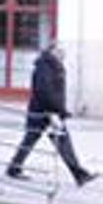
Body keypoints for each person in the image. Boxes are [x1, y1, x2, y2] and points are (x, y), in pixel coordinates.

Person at [6, 42, 97, 187]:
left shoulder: (51, 65)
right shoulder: (46, 66)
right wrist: (59, 111)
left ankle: (13, 167)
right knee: (61, 142)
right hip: (46, 113)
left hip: (44, 112)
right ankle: (79, 175)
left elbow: (53, 92)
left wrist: (60, 110)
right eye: (61, 50)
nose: (64, 54)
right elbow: (46, 92)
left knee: (33, 140)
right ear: (53, 50)